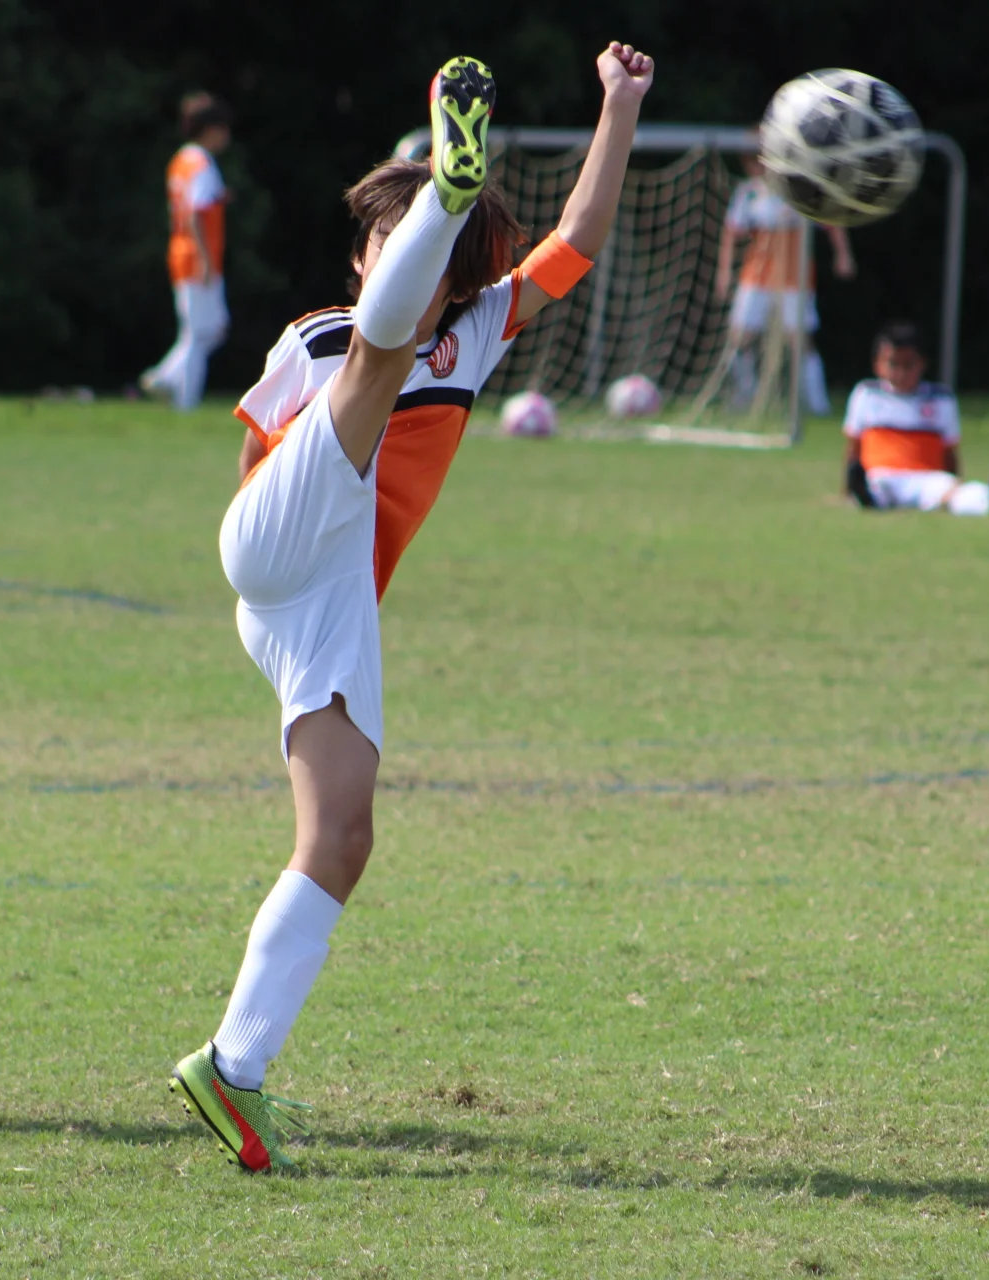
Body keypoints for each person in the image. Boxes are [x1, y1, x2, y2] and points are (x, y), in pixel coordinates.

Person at [169, 44, 655, 1171]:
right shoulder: (317, 336)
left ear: (463, 279)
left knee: (341, 835)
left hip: (332, 595)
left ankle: (232, 1069)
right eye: (399, 238)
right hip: (276, 540)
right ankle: (449, 174)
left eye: (442, 246)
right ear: (361, 254)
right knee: (370, 372)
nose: (421, 267)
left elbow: (575, 243)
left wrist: (616, 108)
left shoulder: (476, 333)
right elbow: (259, 466)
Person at [713, 152, 855, 415]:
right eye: (750, 162)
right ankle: (745, 397)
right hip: (757, 276)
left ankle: (816, 403)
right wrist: (724, 272)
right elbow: (732, 231)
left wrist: (843, 255)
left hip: (795, 278)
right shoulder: (749, 192)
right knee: (739, 336)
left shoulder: (800, 189)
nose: (754, 167)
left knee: (799, 340)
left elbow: (831, 221)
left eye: (759, 161)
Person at [842, 320, 989, 515]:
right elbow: (854, 447)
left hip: (926, 477)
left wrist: (953, 481)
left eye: (908, 365)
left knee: (954, 493)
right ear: (878, 364)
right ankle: (866, 498)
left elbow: (949, 451)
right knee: (874, 488)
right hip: (882, 475)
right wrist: (847, 487)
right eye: (893, 364)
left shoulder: (941, 398)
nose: (901, 373)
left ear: (922, 364)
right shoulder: (866, 394)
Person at [139, 92, 232, 410]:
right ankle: (174, 389)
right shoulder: (203, 163)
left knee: (208, 329)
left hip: (182, 252)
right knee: (202, 332)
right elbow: (195, 212)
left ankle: (168, 380)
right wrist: (206, 259)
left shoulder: (181, 161)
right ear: (211, 129)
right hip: (199, 257)